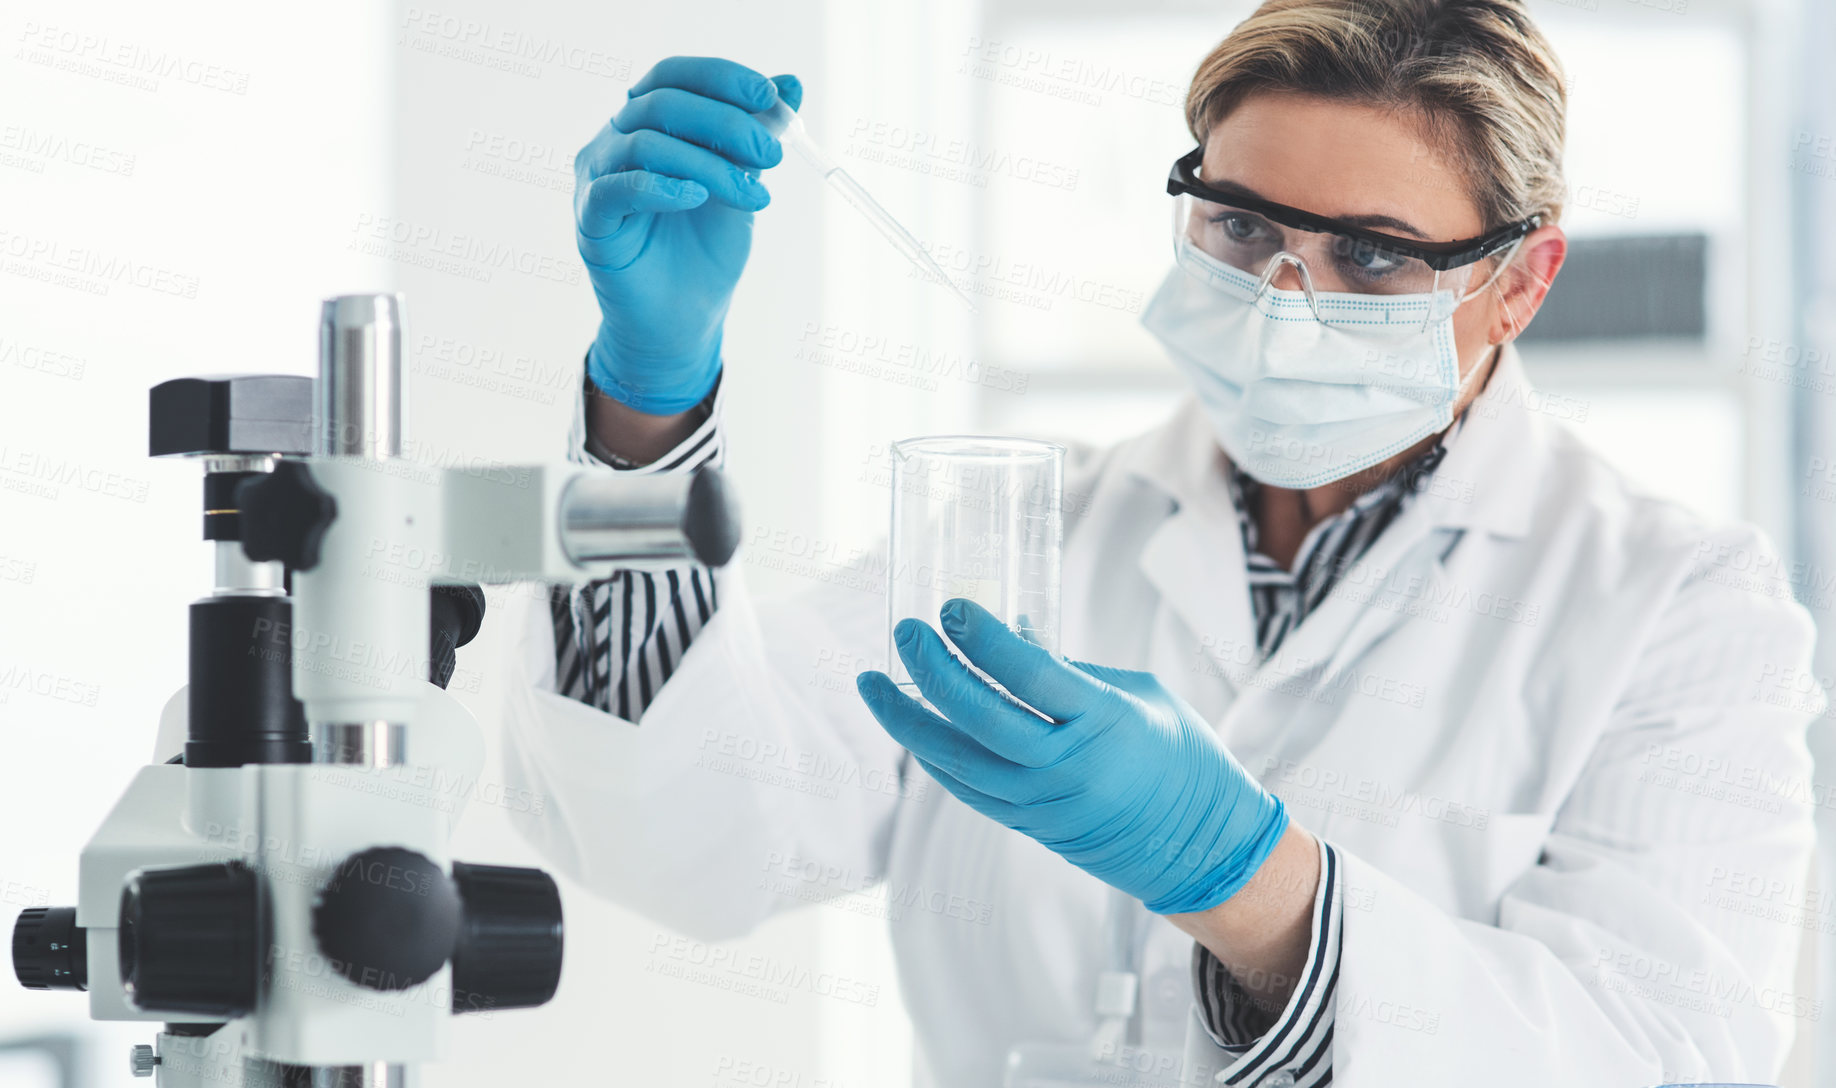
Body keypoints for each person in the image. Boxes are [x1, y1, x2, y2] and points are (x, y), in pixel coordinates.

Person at [499, 2, 1823, 1085]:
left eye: (1372, 259)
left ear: (1519, 284)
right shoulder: (1042, 532)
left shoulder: (1678, 607)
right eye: (1243, 227)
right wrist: (648, 406)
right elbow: (688, 840)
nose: (1281, 299)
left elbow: (1667, 1055)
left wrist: (1249, 885)